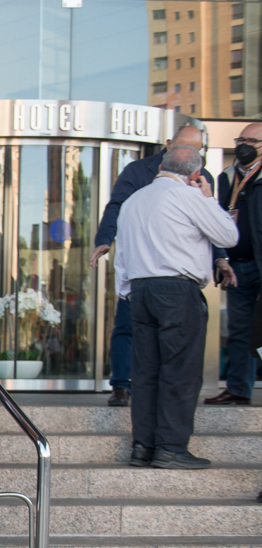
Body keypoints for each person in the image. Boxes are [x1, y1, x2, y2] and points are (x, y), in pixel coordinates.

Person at [117, 145, 238, 469]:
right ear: (195, 174)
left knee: (145, 373)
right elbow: (228, 235)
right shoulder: (189, 196)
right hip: (176, 289)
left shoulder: (133, 201)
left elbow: (121, 255)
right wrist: (209, 198)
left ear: (161, 167)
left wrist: (126, 291)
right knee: (180, 371)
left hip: (140, 290)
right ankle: (171, 448)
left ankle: (143, 447)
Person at [89, 125, 211, 407]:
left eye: (196, 149)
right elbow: (117, 206)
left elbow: (212, 224)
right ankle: (122, 385)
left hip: (178, 273)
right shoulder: (138, 171)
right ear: (168, 144)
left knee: (175, 340)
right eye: (184, 146)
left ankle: (163, 394)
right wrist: (105, 239)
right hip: (141, 266)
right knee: (127, 325)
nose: (189, 153)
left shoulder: (202, 178)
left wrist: (220, 259)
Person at [208, 124, 262, 406]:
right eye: (241, 139)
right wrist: (220, 257)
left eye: (252, 141)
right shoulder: (227, 177)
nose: (244, 145)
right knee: (239, 332)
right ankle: (238, 390)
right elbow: (216, 219)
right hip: (236, 268)